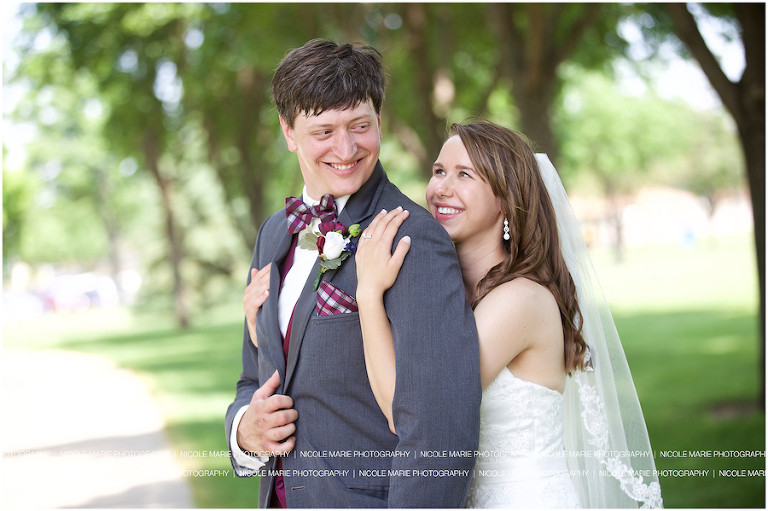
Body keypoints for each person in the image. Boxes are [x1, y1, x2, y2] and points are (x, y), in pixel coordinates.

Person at [353, 120, 664, 508]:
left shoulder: (519, 301)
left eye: (464, 174)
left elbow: (413, 413)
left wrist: (367, 294)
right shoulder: (454, 295)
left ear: (505, 199)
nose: (441, 189)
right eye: (438, 171)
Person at [225, 39, 481, 508]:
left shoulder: (413, 238)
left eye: (360, 126)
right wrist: (244, 429)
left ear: (379, 122)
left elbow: (439, 430)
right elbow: (252, 378)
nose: (346, 149)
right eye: (323, 132)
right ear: (288, 131)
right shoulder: (274, 234)